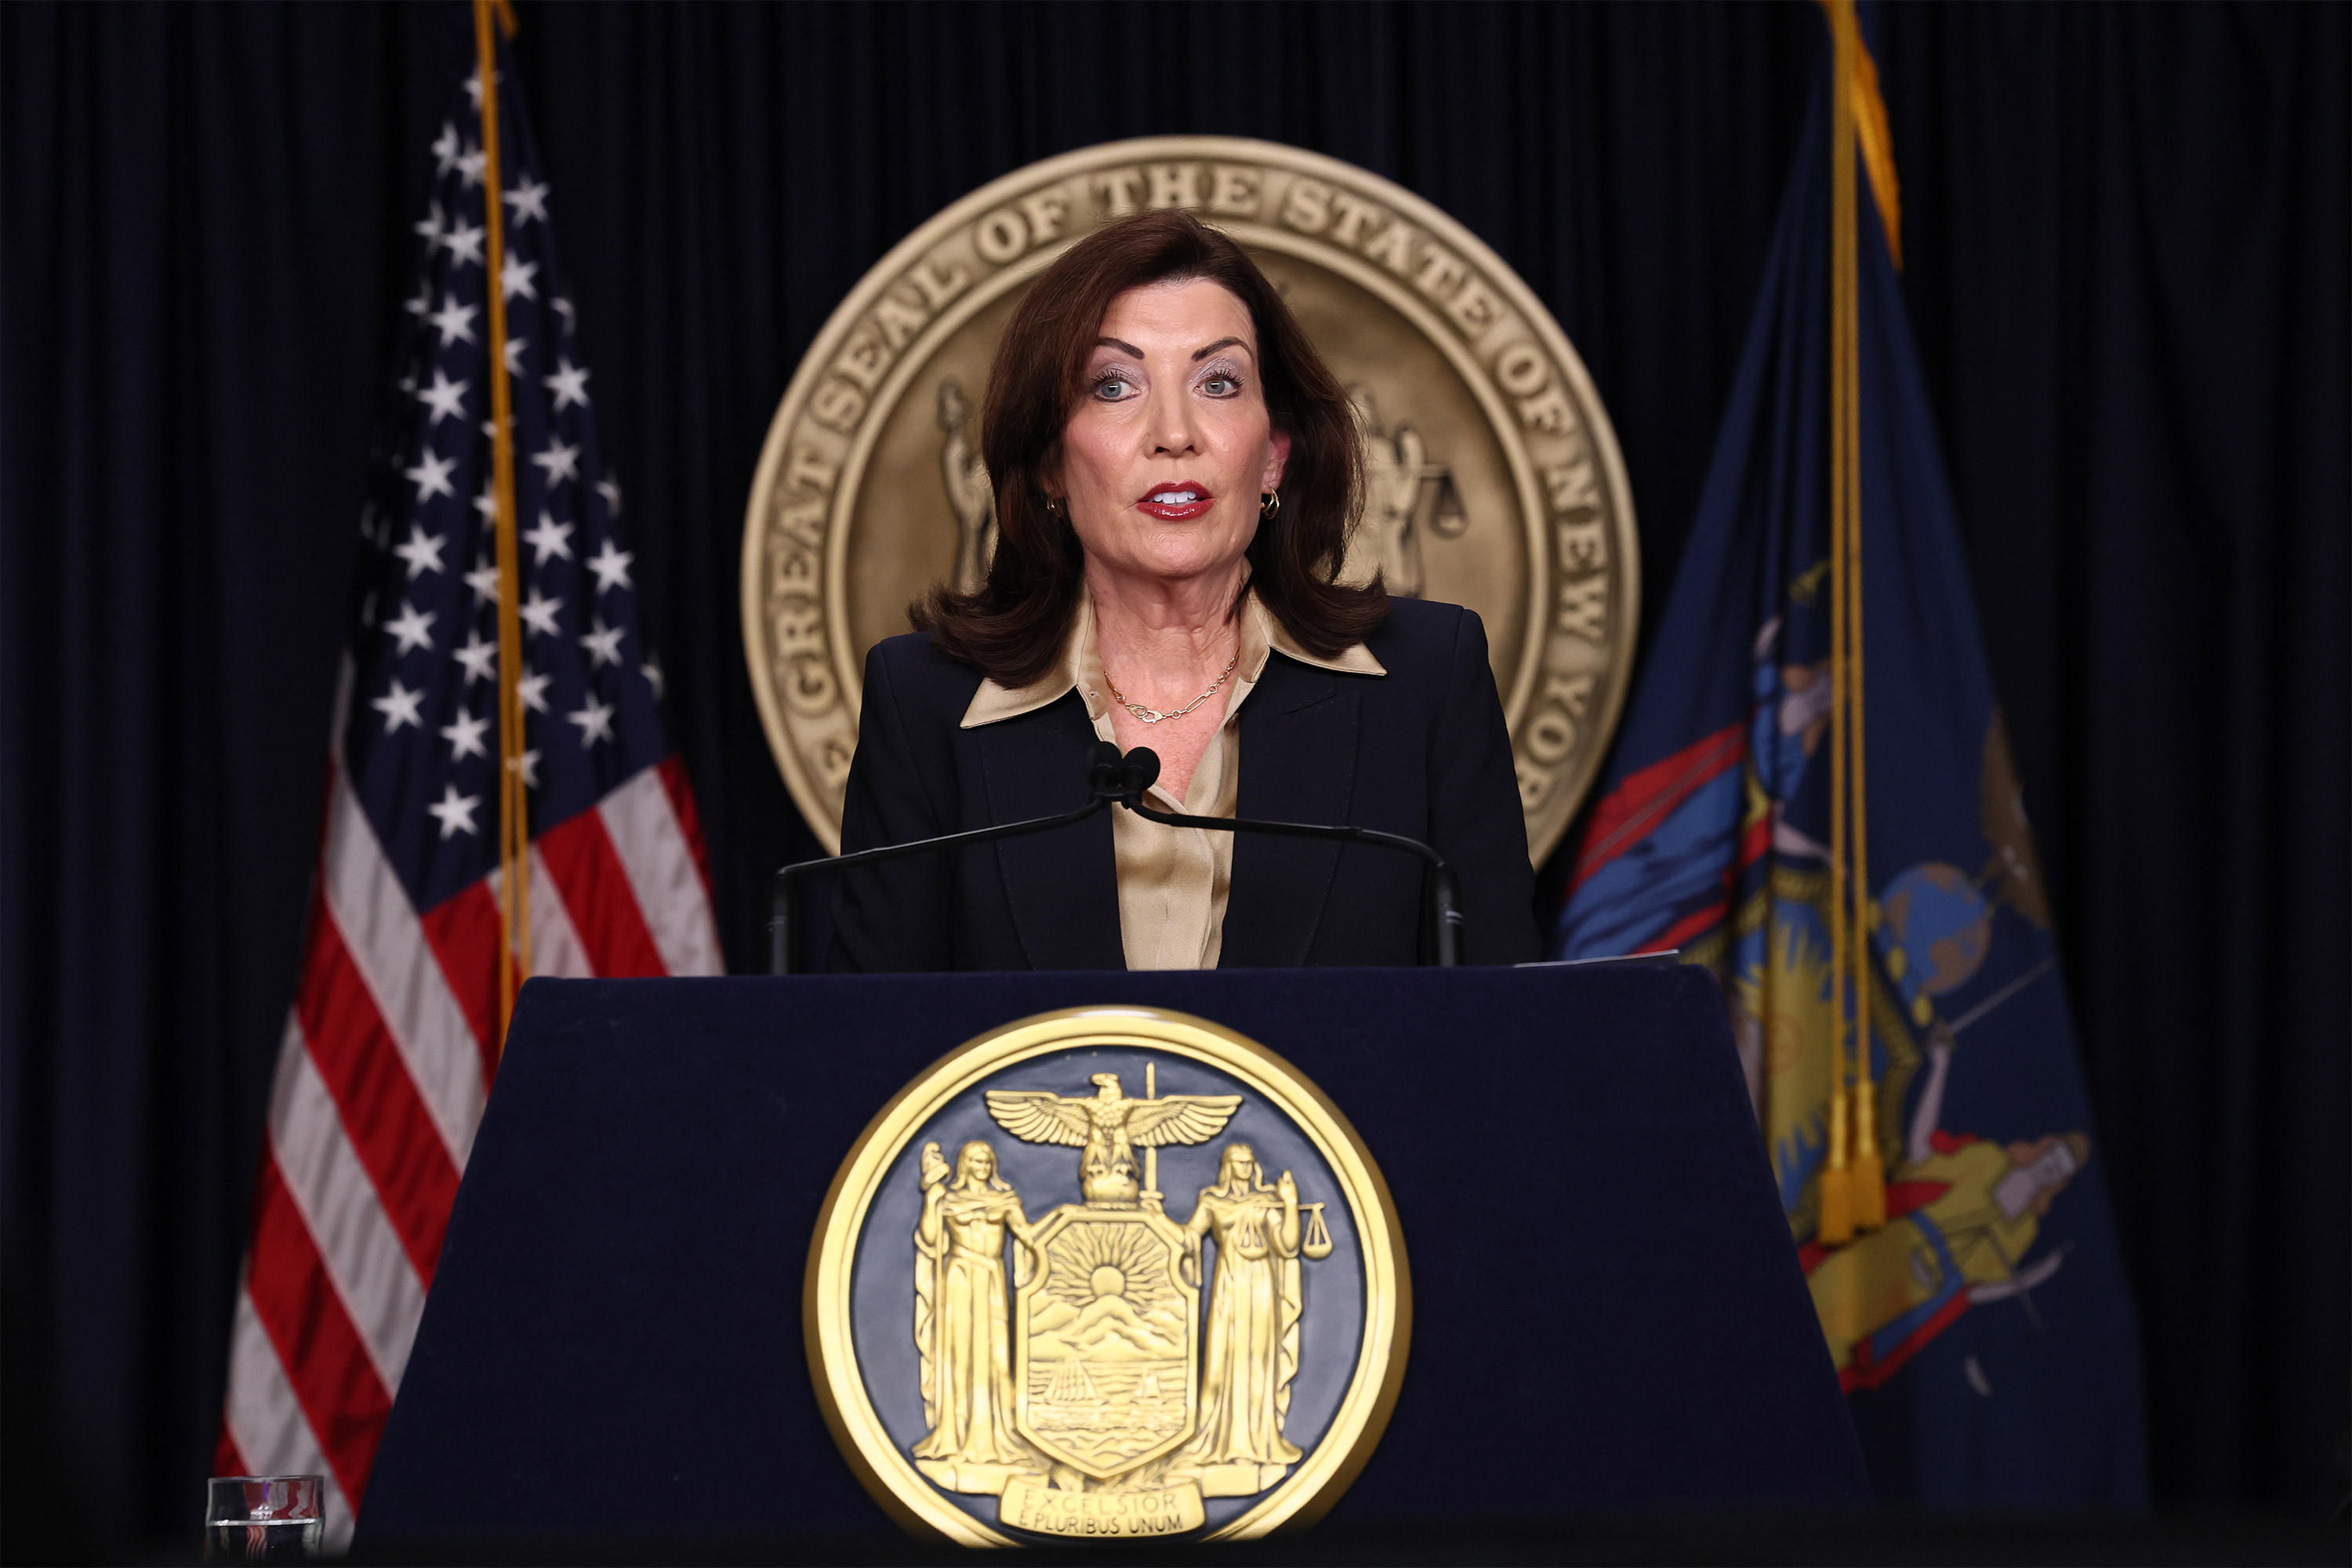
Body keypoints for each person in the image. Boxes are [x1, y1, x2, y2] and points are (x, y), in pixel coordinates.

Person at [829, 208, 1537, 971]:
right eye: (1114, 386)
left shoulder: (1429, 682)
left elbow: (1501, 1022)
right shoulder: (925, 704)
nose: (1175, 432)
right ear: (1049, 464)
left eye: (1218, 382)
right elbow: (876, 1036)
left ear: (1274, 455)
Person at [910, 1141, 1039, 1473]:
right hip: (960, 1277)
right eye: (976, 1161)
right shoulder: (948, 1200)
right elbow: (931, 1239)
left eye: (987, 1161)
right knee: (959, 1355)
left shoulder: (1005, 1200)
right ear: (965, 1164)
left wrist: (1062, 1225)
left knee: (996, 1357)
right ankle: (954, 1434)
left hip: (991, 1278)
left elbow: (1028, 1235)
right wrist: (931, 1201)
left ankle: (995, 1434)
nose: (982, 1166)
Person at [1176, 1145, 1304, 1472]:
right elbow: (1189, 1236)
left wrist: (1290, 1203)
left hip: (1260, 1286)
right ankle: (1215, 1436)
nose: (1246, 1167)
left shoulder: (1266, 1202)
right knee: (1221, 1361)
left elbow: (1288, 1244)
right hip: (1229, 1285)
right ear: (1228, 1166)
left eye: (1250, 1162)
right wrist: (1157, 1220)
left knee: (1257, 1358)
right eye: (1239, 1162)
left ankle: (1257, 1442)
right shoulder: (1212, 1201)